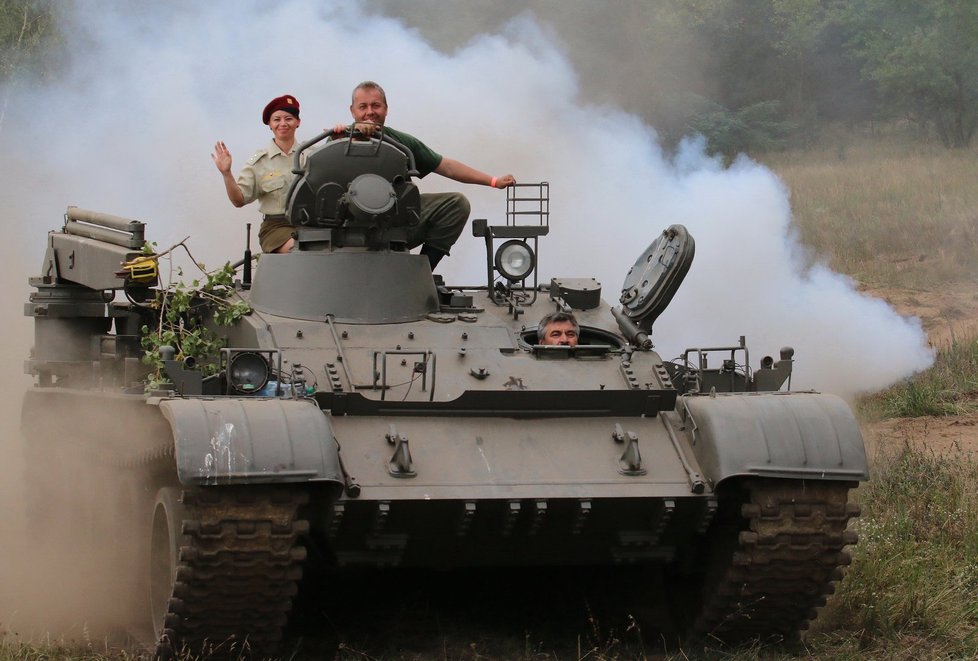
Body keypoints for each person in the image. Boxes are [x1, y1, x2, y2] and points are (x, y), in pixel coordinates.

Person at [333, 80, 517, 270]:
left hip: (394, 222)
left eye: (376, 105)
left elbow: (446, 166)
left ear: (386, 109)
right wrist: (348, 137)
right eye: (363, 106)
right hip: (346, 227)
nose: (370, 112)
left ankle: (420, 273)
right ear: (352, 110)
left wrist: (494, 181)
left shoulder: (401, 143)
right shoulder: (337, 140)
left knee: (456, 205)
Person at [212, 94, 303, 253]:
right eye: (277, 119)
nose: (283, 123)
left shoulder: (311, 156)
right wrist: (226, 174)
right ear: (270, 124)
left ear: (298, 122)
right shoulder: (259, 162)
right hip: (276, 228)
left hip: (309, 225)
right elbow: (239, 200)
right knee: (302, 248)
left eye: (288, 118)